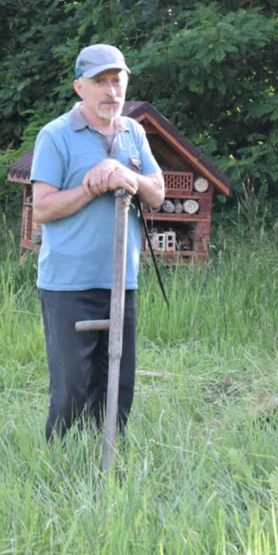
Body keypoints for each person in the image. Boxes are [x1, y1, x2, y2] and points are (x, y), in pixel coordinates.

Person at [30, 44, 166, 441]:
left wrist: (120, 171)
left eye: (116, 81)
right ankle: (57, 458)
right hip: (68, 282)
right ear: (80, 88)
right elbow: (42, 208)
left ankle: (106, 460)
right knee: (72, 386)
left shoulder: (134, 132)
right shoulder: (55, 136)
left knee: (117, 387)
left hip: (121, 281)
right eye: (100, 82)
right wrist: (91, 187)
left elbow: (156, 193)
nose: (111, 91)